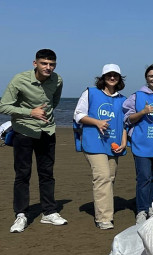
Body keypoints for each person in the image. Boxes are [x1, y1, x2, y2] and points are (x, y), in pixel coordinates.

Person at [1, 49, 65, 233]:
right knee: (23, 174)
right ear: (34, 63)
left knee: (47, 173)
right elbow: (3, 105)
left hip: (47, 131)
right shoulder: (19, 79)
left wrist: (44, 115)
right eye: (44, 63)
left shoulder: (57, 80)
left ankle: (49, 212)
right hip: (24, 132)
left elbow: (55, 101)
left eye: (52, 64)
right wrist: (30, 112)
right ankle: (21, 214)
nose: (48, 67)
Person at [73, 64, 127, 229]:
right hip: (94, 142)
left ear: (119, 78)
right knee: (102, 177)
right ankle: (103, 218)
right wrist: (96, 122)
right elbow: (78, 115)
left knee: (110, 178)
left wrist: (124, 143)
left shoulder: (123, 99)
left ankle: (105, 211)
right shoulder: (90, 92)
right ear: (102, 77)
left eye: (115, 75)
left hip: (113, 144)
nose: (112, 78)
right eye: (109, 75)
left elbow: (125, 124)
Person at [123, 64, 153, 224]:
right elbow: (127, 119)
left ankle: (150, 207)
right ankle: (141, 210)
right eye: (151, 76)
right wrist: (142, 112)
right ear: (146, 78)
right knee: (144, 178)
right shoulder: (137, 96)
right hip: (141, 144)